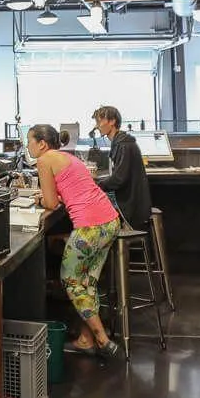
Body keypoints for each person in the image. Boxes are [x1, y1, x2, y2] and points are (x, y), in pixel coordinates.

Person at [27, 123, 123, 359]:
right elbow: (68, 192)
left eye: (29, 140)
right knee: (87, 282)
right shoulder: (64, 157)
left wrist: (39, 201)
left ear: (42, 143)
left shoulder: (44, 160)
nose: (27, 145)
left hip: (90, 226)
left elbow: (50, 204)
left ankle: (102, 339)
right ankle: (85, 339)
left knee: (70, 280)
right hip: (109, 220)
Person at [90, 105, 152, 234]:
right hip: (133, 202)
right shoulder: (123, 142)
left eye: (99, 121)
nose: (97, 126)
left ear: (112, 121)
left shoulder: (123, 145)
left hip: (129, 206)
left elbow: (119, 179)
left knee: (89, 208)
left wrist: (97, 185)